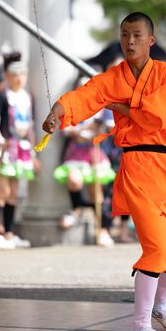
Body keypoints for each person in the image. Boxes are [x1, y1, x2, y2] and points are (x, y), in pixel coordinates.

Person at [42, 12, 166, 331]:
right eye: (125, 35)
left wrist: (121, 108)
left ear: (151, 40)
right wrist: (57, 114)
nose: (130, 41)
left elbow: (160, 116)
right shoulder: (112, 77)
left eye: (137, 35)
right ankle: (140, 328)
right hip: (138, 166)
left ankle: (160, 306)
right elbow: (84, 97)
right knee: (156, 248)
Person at [53, 78, 116, 248]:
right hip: (76, 151)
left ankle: (102, 230)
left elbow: (110, 126)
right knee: (74, 180)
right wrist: (80, 130)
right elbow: (64, 129)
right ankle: (76, 210)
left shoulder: (102, 105)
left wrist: (99, 128)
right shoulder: (71, 105)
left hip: (94, 151)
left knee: (97, 192)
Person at [0, 60, 35, 249]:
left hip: (22, 150)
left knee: (14, 193)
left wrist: (33, 151)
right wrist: (1, 141)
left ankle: (9, 232)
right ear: (7, 76)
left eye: (22, 74)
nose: (18, 78)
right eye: (14, 74)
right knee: (1, 191)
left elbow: (31, 126)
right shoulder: (2, 97)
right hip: (5, 149)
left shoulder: (27, 97)